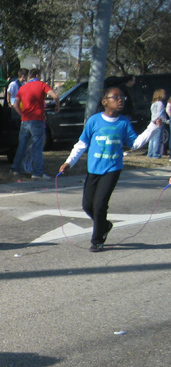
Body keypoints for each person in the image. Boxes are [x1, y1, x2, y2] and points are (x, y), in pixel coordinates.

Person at [59, 87, 161, 252]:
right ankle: (105, 225)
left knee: (100, 205)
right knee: (87, 205)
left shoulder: (123, 123)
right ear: (105, 101)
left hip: (112, 168)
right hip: (94, 168)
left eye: (122, 98)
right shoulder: (94, 121)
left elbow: (134, 144)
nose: (120, 100)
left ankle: (97, 240)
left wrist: (152, 128)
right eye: (116, 97)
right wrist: (69, 162)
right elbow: (81, 144)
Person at [10, 68, 60, 179]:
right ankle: (38, 172)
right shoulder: (41, 85)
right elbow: (55, 96)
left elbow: (15, 104)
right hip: (37, 119)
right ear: (37, 75)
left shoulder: (23, 88)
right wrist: (57, 106)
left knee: (22, 145)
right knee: (37, 146)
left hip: (25, 120)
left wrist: (22, 114)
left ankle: (15, 168)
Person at [147, 89, 168, 158]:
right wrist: (166, 121)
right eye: (164, 93)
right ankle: (156, 154)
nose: (165, 95)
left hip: (153, 121)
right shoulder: (160, 103)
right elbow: (161, 114)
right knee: (158, 139)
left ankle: (150, 153)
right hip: (159, 122)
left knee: (152, 139)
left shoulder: (153, 103)